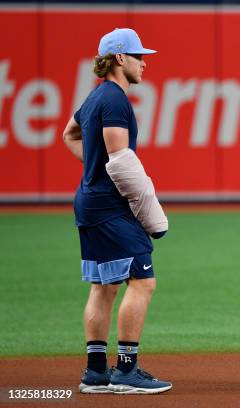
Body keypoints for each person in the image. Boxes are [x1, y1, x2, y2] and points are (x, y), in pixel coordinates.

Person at [63, 28, 172, 395]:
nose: (145, 62)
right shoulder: (114, 99)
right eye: (140, 55)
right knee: (143, 281)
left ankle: (95, 372)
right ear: (120, 58)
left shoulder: (94, 99)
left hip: (90, 200)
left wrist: (91, 168)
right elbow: (122, 162)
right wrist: (152, 213)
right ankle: (126, 370)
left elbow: (69, 134)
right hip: (110, 207)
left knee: (104, 284)